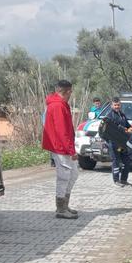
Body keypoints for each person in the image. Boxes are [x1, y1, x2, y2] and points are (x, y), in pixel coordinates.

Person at [42, 80, 79, 219]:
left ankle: (64, 204)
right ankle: (61, 208)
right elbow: (62, 131)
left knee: (73, 174)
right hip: (60, 146)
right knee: (64, 176)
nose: (71, 94)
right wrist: (71, 151)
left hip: (62, 145)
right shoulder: (58, 106)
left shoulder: (59, 104)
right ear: (67, 91)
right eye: (70, 92)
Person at [105, 97, 132, 186]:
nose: (117, 106)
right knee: (116, 161)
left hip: (123, 142)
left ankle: (124, 179)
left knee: (126, 161)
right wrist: (123, 129)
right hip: (113, 142)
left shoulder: (122, 114)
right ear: (111, 105)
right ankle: (116, 180)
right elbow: (112, 127)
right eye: (115, 105)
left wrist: (130, 128)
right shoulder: (109, 115)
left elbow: (127, 125)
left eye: (118, 105)